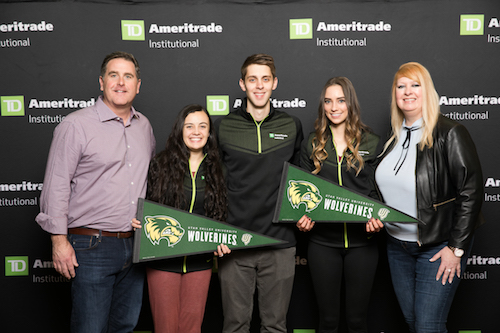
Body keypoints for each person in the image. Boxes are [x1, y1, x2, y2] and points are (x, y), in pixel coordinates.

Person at [35, 51, 156, 333]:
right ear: (101, 82)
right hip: (91, 247)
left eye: (128, 76)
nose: (121, 82)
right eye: (114, 75)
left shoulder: (145, 126)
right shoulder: (76, 125)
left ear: (138, 85)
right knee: (90, 327)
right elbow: (57, 184)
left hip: (135, 245)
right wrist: (58, 241)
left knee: (125, 325)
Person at [367, 62, 484, 333]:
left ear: (427, 91)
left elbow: (471, 192)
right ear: (394, 93)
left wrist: (456, 248)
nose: (408, 92)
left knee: (428, 327)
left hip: (437, 247)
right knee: (413, 323)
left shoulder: (449, 133)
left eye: (415, 85)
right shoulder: (393, 140)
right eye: (401, 86)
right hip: (398, 248)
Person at [215, 53, 304, 333]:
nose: (259, 86)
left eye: (265, 79)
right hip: (235, 244)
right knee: (235, 326)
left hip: (280, 242)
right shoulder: (223, 126)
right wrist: (215, 232)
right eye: (252, 79)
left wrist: (306, 214)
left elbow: (302, 182)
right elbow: (215, 184)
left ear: (274, 83)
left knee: (275, 326)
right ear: (242, 84)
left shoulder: (292, 125)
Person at [132, 104, 231, 333]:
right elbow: (148, 209)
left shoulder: (218, 169)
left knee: (191, 328)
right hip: (163, 260)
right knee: (166, 328)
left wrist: (223, 238)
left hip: (200, 262)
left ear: (209, 133)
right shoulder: (161, 163)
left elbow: (221, 214)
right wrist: (139, 220)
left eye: (202, 126)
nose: (196, 131)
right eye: (190, 126)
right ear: (180, 130)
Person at [297, 77, 380, 333]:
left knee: (357, 321)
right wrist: (301, 217)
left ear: (350, 104)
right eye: (328, 101)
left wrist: (379, 218)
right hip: (323, 244)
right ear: (323, 105)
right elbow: (299, 194)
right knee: (328, 321)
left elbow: (379, 193)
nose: (334, 107)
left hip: (363, 245)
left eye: (341, 100)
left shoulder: (371, 142)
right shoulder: (311, 143)